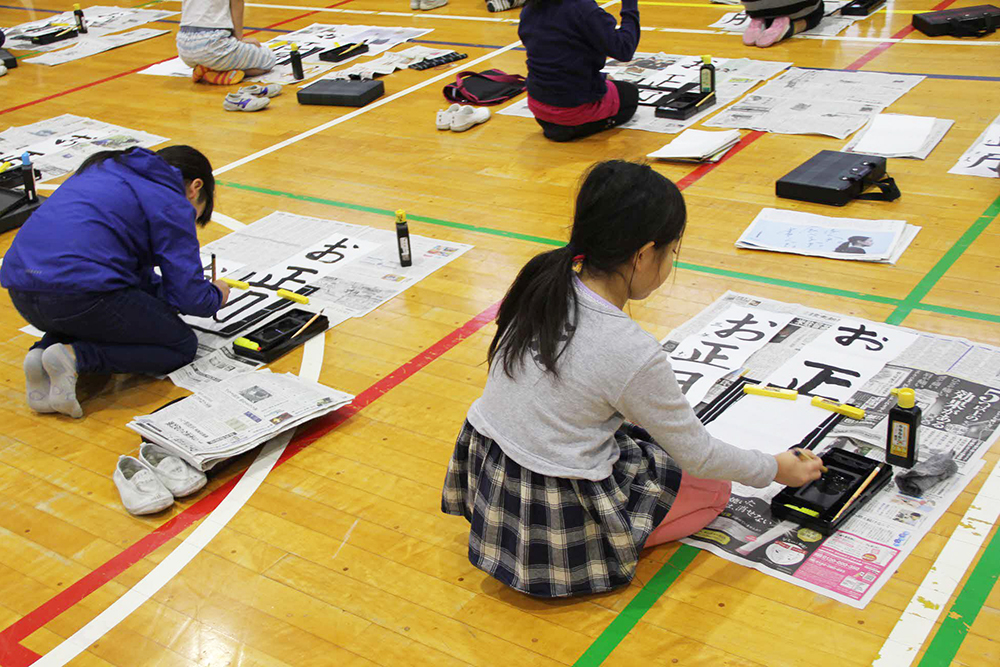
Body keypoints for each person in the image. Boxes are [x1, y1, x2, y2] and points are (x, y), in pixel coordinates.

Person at [441, 160, 824, 598]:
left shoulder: (543, 280)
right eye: (671, 252)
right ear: (643, 255)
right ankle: (601, 548)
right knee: (713, 491)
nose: (670, 263)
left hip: (492, 473)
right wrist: (777, 468)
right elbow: (698, 456)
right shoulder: (629, 349)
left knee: (650, 443)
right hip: (552, 508)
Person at [0, 146, 230, 419]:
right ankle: (76, 357)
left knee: (97, 311)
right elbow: (190, 299)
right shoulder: (171, 200)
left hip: (22, 290)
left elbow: (136, 278)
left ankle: (41, 357)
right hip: (81, 295)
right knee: (180, 345)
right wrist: (216, 293)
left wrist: (160, 294)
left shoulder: (103, 170)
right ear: (195, 187)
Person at [518, 0, 641, 142]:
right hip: (572, 109)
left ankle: (563, 125)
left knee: (607, 81)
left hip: (538, 105)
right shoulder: (582, 8)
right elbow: (624, 49)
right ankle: (578, 127)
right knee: (630, 93)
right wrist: (630, 7)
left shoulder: (529, 8)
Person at [176, 0, 276, 85]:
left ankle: (206, 66)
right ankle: (215, 70)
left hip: (183, 46)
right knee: (269, 60)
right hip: (211, 45)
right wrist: (239, 39)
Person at [739, 0, 824, 48]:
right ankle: (791, 27)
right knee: (816, 14)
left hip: (753, 7)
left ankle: (758, 19)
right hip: (793, 8)